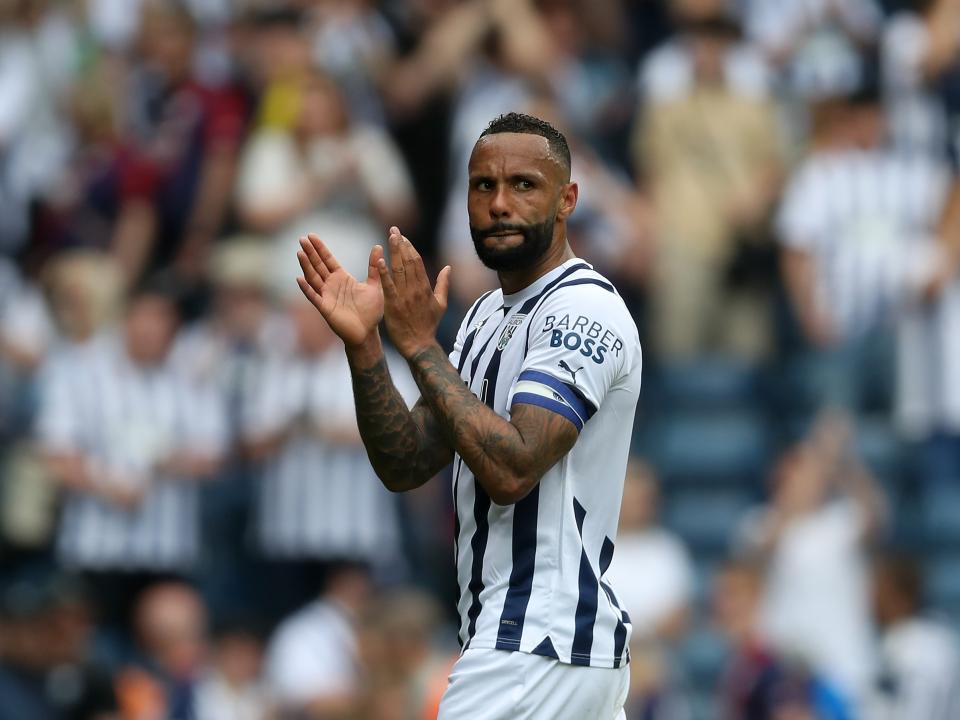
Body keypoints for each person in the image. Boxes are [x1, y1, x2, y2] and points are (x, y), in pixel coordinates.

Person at [296, 112, 642, 719]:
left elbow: (512, 470)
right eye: (483, 186)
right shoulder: (485, 317)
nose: (499, 203)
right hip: (540, 651)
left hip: (537, 645)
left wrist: (422, 346)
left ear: (567, 200)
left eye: (523, 186)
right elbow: (406, 463)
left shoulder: (582, 310)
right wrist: (367, 347)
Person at [869, 553, 960, 719]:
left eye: (877, 590)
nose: (870, 600)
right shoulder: (936, 637)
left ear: (895, 595)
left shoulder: (914, 651)